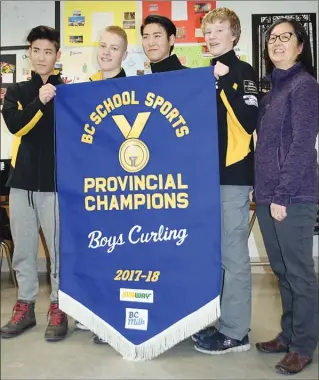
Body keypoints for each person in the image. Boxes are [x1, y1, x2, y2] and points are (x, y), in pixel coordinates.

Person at [254, 18, 318, 375]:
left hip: (292, 196)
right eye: (272, 38)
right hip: (267, 195)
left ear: (300, 46)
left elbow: (301, 145)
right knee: (282, 271)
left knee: (299, 272)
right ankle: (288, 334)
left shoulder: (304, 86)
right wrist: (263, 191)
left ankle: (304, 344)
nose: (277, 42)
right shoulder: (271, 90)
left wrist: (282, 193)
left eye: (285, 37)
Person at [192, 8, 258, 354]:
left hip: (232, 176)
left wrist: (224, 83)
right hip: (204, 177)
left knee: (233, 257)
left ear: (234, 35)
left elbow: (249, 120)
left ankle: (236, 331)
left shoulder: (241, 72)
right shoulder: (203, 74)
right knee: (213, 255)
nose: (213, 35)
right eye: (208, 30)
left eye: (220, 29)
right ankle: (219, 322)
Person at [1, 26, 68, 341]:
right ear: (30, 52)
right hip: (22, 184)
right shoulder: (16, 92)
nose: (42, 57)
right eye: (36, 51)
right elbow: (17, 126)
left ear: (57, 55)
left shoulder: (67, 91)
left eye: (48, 51)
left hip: (55, 186)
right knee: (24, 251)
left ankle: (59, 305)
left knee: (59, 251)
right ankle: (25, 306)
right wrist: (40, 101)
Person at [73, 25, 128, 345]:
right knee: (94, 251)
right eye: (103, 46)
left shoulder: (133, 88)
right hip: (91, 187)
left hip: (120, 187)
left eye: (114, 48)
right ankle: (95, 311)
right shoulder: (83, 89)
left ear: (124, 54)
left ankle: (114, 318)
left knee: (118, 253)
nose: (106, 52)